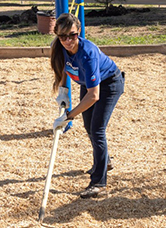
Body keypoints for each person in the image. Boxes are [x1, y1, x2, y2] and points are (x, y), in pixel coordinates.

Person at [50, 13, 124, 199]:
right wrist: (63, 94)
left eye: (72, 35)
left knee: (97, 129)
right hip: (87, 84)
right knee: (89, 127)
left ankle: (99, 182)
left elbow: (94, 95)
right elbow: (62, 70)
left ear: (79, 32)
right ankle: (104, 162)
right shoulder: (58, 48)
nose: (67, 41)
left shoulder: (88, 53)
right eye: (62, 37)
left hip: (109, 84)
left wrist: (68, 116)